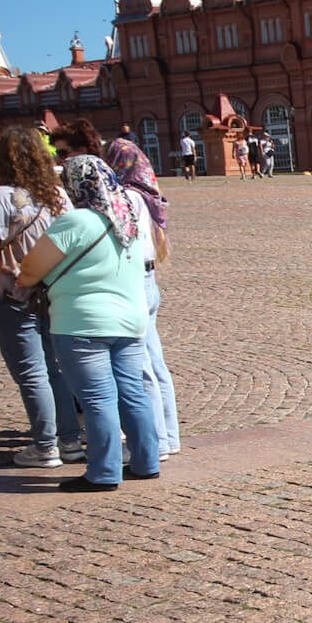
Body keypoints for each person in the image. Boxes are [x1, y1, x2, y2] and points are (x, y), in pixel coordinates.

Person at [16, 156, 160, 491]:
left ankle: (105, 471)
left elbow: (32, 269)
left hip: (83, 322)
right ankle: (146, 460)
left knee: (98, 398)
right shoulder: (128, 220)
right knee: (132, 392)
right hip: (129, 319)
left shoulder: (76, 221)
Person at [0, 128, 81, 466]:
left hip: (11, 290)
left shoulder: (2, 196)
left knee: (31, 372)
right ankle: (70, 441)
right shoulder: (57, 194)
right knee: (56, 368)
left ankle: (45, 445)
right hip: (53, 288)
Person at [105, 137, 181, 459]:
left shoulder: (126, 197)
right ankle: (170, 436)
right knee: (155, 362)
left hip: (134, 278)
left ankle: (157, 441)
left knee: (142, 366)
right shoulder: (149, 194)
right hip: (149, 277)